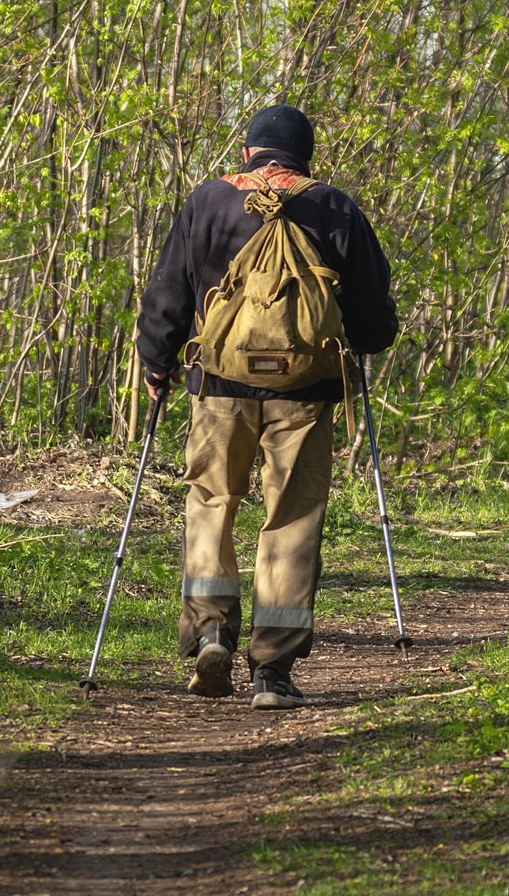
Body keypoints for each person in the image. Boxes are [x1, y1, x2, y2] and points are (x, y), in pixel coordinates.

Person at [136, 103, 397, 711]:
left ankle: (210, 632)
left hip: (219, 385)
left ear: (248, 152)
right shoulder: (335, 207)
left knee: (211, 501)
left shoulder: (208, 201)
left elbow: (168, 292)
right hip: (305, 393)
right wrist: (358, 342)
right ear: (306, 156)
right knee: (292, 516)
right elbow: (374, 316)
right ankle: (273, 671)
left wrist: (157, 360)